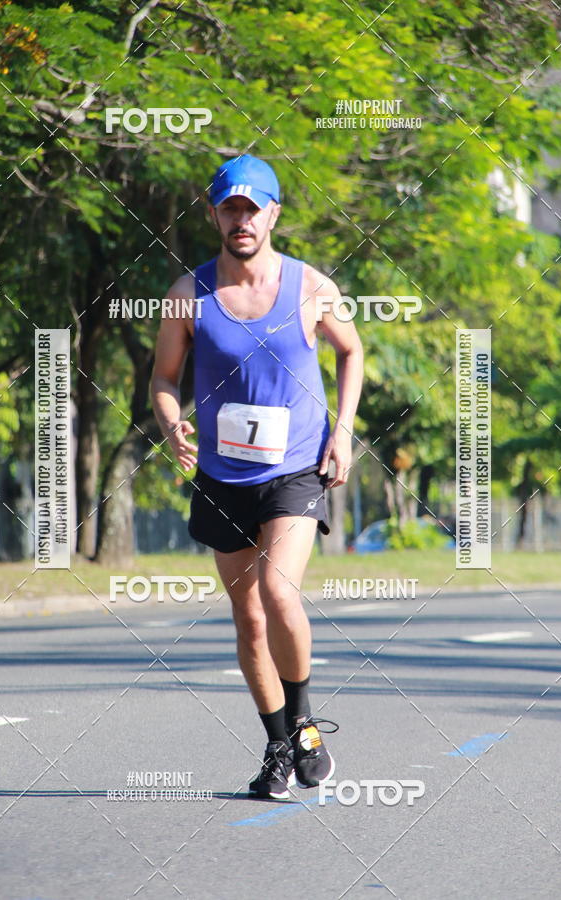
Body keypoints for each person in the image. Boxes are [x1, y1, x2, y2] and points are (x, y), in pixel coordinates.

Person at [151, 154, 363, 800]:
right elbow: (163, 378)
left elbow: (352, 352)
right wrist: (169, 422)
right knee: (247, 621)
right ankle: (278, 745)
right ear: (213, 214)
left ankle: (303, 726)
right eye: (229, 208)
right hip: (222, 474)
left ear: (273, 213)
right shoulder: (189, 295)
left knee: (278, 592)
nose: (241, 219)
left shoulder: (311, 288)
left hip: (295, 468)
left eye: (253, 208)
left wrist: (344, 430)